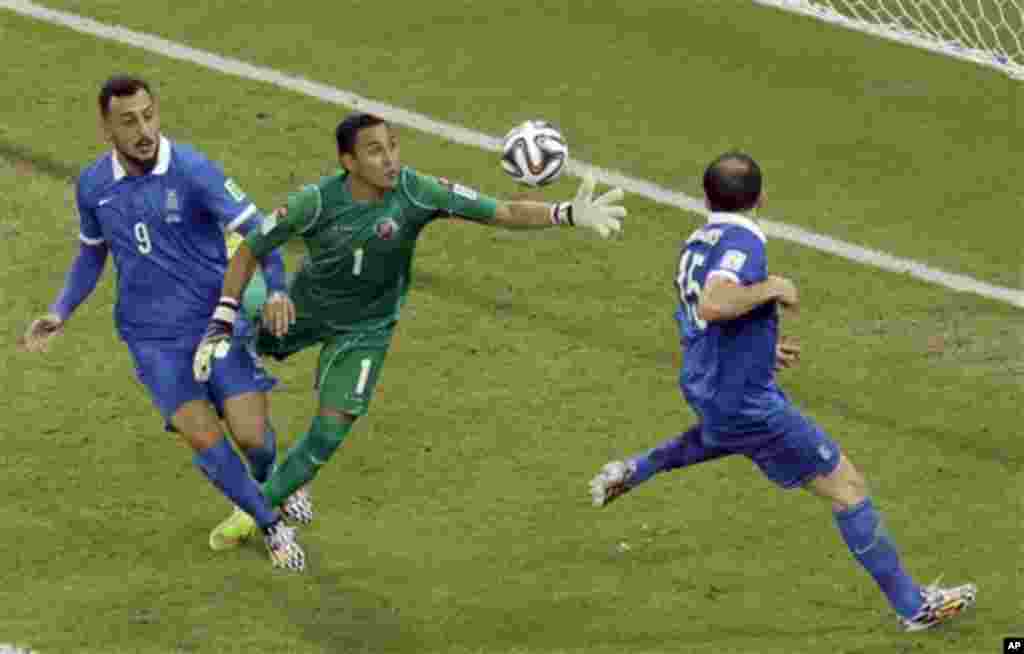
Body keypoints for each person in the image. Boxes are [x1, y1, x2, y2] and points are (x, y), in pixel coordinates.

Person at [194, 112, 627, 556]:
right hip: (303, 310)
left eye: (393, 146)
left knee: (329, 431)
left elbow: (503, 211)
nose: (390, 160)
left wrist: (567, 213)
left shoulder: (417, 192)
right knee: (230, 344)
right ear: (348, 161)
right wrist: (233, 310)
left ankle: (255, 511)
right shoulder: (316, 202)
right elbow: (253, 247)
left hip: (366, 329)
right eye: (375, 150)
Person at [588, 152, 976, 632]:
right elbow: (714, 304)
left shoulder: (697, 241)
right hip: (743, 399)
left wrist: (760, 349)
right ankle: (914, 607)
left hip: (709, 382)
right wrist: (773, 286)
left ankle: (633, 470)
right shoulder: (743, 240)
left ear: (705, 197)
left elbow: (698, 319)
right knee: (847, 488)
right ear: (762, 197)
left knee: (725, 433)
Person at [20, 75, 305, 571]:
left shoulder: (193, 170)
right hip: (151, 338)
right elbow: (92, 254)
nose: (144, 129)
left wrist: (277, 289)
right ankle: (271, 524)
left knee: (253, 437)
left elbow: (261, 232)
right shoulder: (93, 186)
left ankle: (274, 478)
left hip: (216, 323)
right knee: (204, 439)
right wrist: (59, 310)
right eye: (128, 121)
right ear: (106, 128)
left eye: (149, 115)